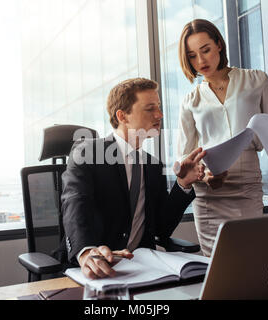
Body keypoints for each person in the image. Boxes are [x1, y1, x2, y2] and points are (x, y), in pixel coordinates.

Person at [59, 78, 206, 279]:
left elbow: (162, 228)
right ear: (122, 116)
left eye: (159, 107)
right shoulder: (89, 153)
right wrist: (86, 252)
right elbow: (75, 204)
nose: (159, 115)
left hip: (140, 267)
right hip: (97, 266)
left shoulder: (152, 165)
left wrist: (183, 184)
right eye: (149, 109)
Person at [177, 19, 268, 257]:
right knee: (216, 269)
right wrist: (204, 175)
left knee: (252, 261)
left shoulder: (257, 80)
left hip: (248, 189)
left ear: (219, 45)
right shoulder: (190, 100)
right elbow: (185, 157)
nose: (201, 61)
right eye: (192, 56)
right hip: (209, 196)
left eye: (206, 50)